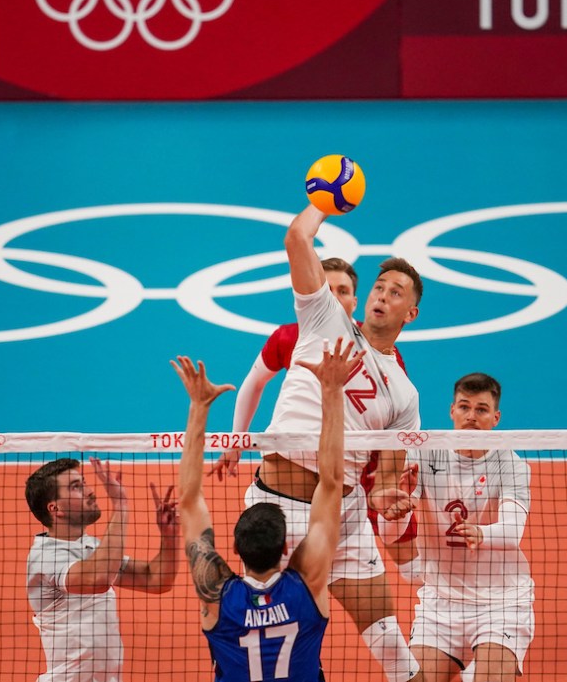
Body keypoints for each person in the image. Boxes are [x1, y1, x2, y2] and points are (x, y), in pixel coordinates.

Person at [246, 202, 426, 682]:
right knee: (270, 646)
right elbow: (296, 239)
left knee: (391, 642)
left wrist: (389, 497)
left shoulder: (405, 394)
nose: (382, 295)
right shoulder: (324, 316)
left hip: (343, 515)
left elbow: (387, 475)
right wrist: (323, 203)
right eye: (379, 286)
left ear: (411, 313)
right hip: (277, 510)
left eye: (397, 292)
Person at [209, 256, 421, 584]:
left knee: (393, 535)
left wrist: (386, 481)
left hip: (350, 477)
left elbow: (392, 424)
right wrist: (237, 440)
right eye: (328, 288)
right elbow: (253, 383)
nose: (334, 296)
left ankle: (428, 582)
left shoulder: (391, 367)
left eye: (343, 290)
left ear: (353, 299)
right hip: (289, 483)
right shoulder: (294, 335)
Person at [173, 339, 359, 681]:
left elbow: (188, 500)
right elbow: (331, 482)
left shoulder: (216, 593)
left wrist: (199, 407)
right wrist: (332, 391)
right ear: (287, 548)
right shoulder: (308, 583)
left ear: (234, 550)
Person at [377, 373, 535, 682]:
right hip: (440, 605)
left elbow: (513, 529)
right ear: (452, 411)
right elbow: (391, 535)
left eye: (481, 410)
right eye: (464, 407)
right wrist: (394, 514)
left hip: (501, 604)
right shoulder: (423, 454)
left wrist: (483, 532)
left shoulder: (511, 464)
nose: (471, 417)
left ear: (496, 418)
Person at [25, 457, 181, 682]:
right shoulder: (45, 557)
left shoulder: (91, 548)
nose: (89, 491)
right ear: (55, 508)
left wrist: (169, 537)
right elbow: (99, 578)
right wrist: (120, 504)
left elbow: (154, 580)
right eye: (76, 487)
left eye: (84, 483)